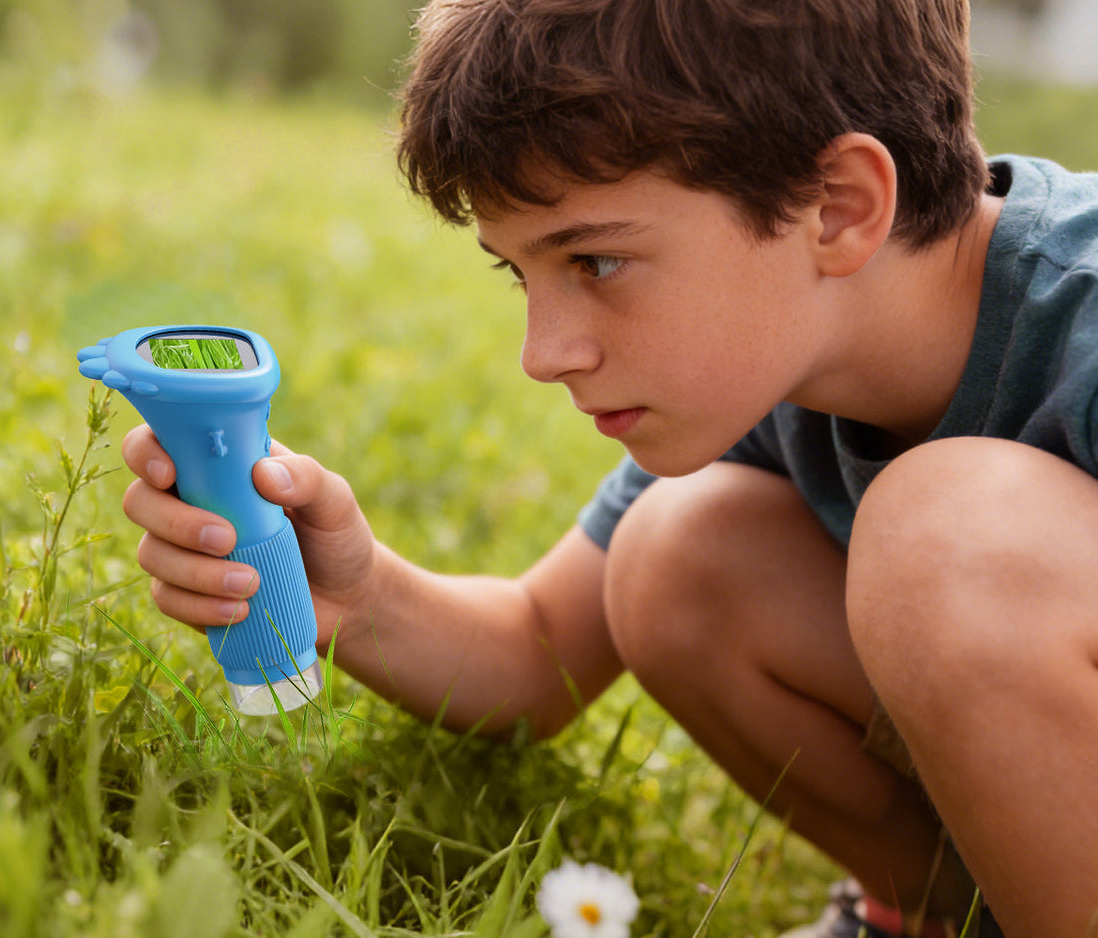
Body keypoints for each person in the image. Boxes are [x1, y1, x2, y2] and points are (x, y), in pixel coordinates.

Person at [114, 1, 1098, 934]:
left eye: (596, 263)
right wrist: (357, 595)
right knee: (673, 557)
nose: (543, 353)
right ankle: (936, 911)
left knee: (944, 532)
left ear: (837, 207)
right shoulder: (785, 354)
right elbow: (537, 651)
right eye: (521, 271)